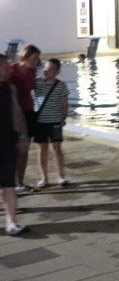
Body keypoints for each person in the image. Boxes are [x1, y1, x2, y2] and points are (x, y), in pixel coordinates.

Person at [0, 56, 30, 235]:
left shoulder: (9, 88)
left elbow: (17, 112)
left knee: (8, 183)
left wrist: (23, 135)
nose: (10, 69)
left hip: (7, 141)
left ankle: (12, 223)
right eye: (6, 67)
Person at [32, 58, 70, 188]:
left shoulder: (61, 86)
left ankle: (61, 176)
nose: (46, 71)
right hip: (40, 122)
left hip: (55, 122)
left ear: (57, 71)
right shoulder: (37, 83)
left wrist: (63, 118)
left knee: (57, 148)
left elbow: (64, 103)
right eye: (45, 68)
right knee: (42, 149)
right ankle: (44, 177)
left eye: (50, 69)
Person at [10, 45, 41, 194]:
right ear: (24, 57)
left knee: (24, 148)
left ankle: (20, 183)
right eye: (34, 58)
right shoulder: (11, 70)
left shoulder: (32, 72)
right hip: (13, 113)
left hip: (28, 111)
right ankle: (10, 183)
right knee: (13, 149)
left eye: (37, 59)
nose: (36, 61)